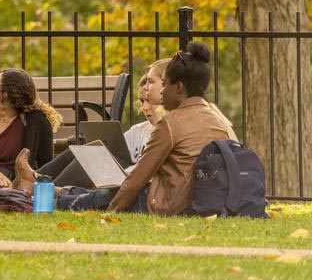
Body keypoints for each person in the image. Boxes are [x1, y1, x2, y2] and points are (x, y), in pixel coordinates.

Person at [33, 41, 234, 215]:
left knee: (100, 199)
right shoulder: (218, 121)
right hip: (201, 204)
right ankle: (56, 191)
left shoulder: (171, 124)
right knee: (105, 194)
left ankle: (45, 198)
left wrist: (112, 211)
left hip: (168, 205)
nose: (161, 92)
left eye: (165, 85)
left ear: (179, 87)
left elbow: (138, 178)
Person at [35, 70, 165, 188]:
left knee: (91, 159)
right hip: (119, 174)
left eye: (150, 101)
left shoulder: (166, 133)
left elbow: (144, 169)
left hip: (129, 179)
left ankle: (45, 192)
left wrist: (103, 162)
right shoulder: (139, 129)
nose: (145, 108)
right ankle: (31, 179)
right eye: (142, 102)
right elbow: (119, 151)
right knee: (80, 152)